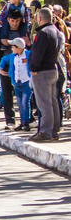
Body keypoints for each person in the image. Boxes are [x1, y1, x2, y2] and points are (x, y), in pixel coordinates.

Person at [0, 7, 30, 128]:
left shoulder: (24, 31)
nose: (15, 23)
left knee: (25, 95)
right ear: (7, 19)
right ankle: (10, 120)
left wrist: (28, 42)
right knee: (7, 93)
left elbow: (31, 48)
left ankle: (27, 119)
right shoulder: (1, 31)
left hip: (23, 67)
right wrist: (2, 42)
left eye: (17, 21)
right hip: (7, 66)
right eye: (12, 21)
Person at [27, 7, 61, 142]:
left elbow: (38, 52)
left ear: (39, 18)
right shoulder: (56, 31)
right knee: (52, 101)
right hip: (53, 68)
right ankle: (54, 130)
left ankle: (46, 132)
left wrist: (33, 67)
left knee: (44, 103)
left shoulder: (43, 33)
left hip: (42, 71)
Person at [8, 38, 33, 132]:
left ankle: (26, 122)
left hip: (26, 82)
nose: (11, 49)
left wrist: (31, 80)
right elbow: (7, 63)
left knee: (25, 103)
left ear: (18, 48)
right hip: (17, 82)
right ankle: (22, 122)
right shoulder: (13, 57)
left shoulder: (27, 54)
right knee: (19, 104)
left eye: (13, 47)